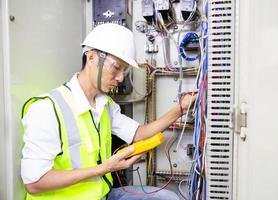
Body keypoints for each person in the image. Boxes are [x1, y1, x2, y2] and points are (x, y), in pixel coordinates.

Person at [21, 23, 197, 200]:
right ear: (91, 57)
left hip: (102, 196)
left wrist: (180, 109)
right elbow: (35, 183)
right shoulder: (46, 109)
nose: (120, 78)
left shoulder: (105, 105)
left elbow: (138, 134)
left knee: (168, 198)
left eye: (124, 70)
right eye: (116, 68)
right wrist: (105, 168)